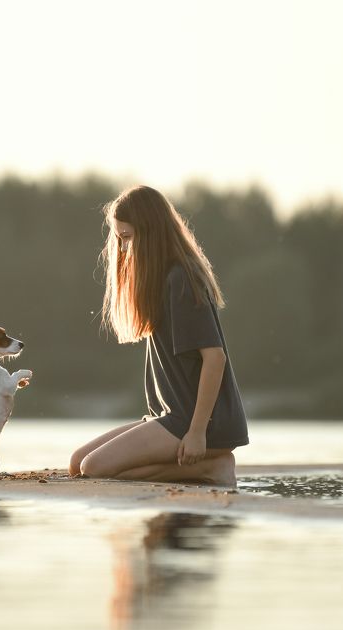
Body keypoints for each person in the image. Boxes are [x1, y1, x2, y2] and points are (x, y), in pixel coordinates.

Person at [68, 185, 249, 486]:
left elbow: (214, 358)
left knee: (94, 468)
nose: (123, 249)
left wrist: (196, 432)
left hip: (198, 424)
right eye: (119, 239)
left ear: (150, 233)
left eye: (127, 237)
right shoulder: (162, 280)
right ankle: (205, 467)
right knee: (78, 463)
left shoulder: (181, 279)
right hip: (170, 417)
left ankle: (211, 468)